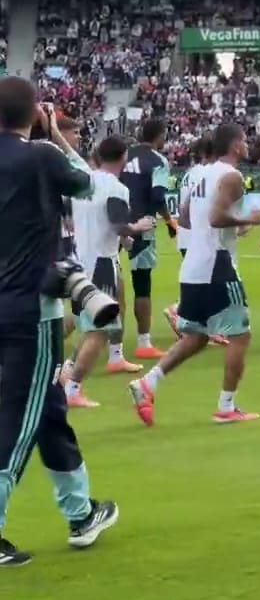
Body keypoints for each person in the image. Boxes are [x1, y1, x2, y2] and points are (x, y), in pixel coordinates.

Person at [0, 79, 118, 567]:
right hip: (32, 309)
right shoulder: (42, 155)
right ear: (34, 113)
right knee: (16, 423)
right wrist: (53, 133)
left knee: (48, 412)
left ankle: (81, 512)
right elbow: (90, 182)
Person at [128, 123, 260, 428]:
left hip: (193, 267)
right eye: (242, 140)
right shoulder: (231, 176)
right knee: (240, 335)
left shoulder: (199, 174)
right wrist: (248, 219)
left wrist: (231, 228)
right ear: (235, 145)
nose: (246, 145)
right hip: (217, 265)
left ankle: (148, 383)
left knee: (198, 336)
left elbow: (188, 216)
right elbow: (215, 217)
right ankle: (226, 406)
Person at [65, 137, 154, 410]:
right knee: (100, 331)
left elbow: (79, 218)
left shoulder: (84, 182)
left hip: (79, 260)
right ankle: (73, 388)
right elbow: (117, 223)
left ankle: (65, 373)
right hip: (101, 264)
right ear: (123, 157)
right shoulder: (116, 187)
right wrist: (138, 226)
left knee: (88, 327)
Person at [120, 118, 175, 360]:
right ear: (160, 135)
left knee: (106, 278)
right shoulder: (158, 161)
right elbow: (158, 197)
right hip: (142, 224)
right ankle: (144, 342)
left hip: (114, 221)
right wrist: (170, 221)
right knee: (142, 284)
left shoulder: (124, 154)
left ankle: (105, 340)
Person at [164, 134, 216, 340]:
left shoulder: (189, 173)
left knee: (201, 279)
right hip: (197, 233)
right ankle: (179, 310)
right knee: (208, 280)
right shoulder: (207, 172)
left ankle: (198, 324)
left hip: (186, 234)